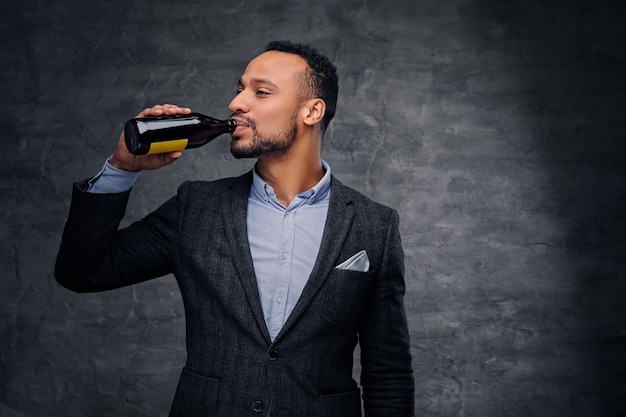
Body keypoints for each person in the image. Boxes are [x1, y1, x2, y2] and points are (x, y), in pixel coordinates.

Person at [55, 40, 414, 417]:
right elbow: (83, 271)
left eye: (260, 92)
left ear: (312, 110)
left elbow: (388, 372)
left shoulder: (375, 225)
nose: (237, 103)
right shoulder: (197, 207)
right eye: (240, 89)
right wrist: (121, 167)